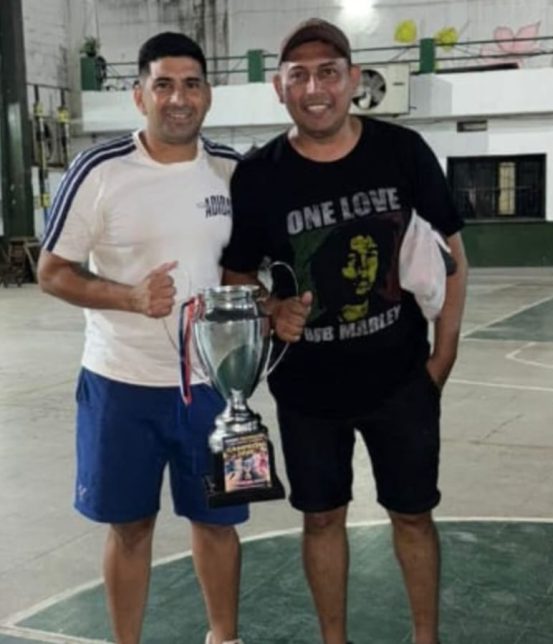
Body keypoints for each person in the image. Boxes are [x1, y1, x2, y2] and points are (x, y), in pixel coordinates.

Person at [219, 19, 467, 644]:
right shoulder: (259, 175)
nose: (315, 88)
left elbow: (453, 257)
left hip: (400, 379)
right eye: (298, 75)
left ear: (353, 79)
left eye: (328, 72)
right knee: (322, 519)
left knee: (413, 516)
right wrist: (271, 307)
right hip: (307, 391)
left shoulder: (402, 151)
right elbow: (236, 275)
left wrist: (442, 357)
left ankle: (426, 638)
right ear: (279, 88)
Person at [37, 33, 246, 644]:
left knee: (218, 523)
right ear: (139, 95)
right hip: (120, 385)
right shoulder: (99, 171)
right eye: (164, 85)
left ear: (208, 94)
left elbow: (244, 271)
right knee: (130, 527)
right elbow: (51, 271)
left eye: (191, 84)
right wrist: (128, 297)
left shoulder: (231, 170)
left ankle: (224, 638)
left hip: (213, 389)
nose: (178, 98)